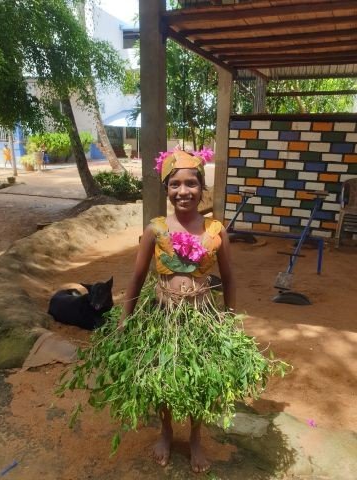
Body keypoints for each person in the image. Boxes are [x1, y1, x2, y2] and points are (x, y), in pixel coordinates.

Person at [119, 148, 236, 473]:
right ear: (167, 189)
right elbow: (137, 277)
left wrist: (229, 317)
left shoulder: (216, 231)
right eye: (175, 184)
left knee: (201, 379)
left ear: (202, 188)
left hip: (202, 317)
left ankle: (196, 437)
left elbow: (228, 279)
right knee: (165, 376)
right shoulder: (155, 230)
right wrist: (126, 319)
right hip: (163, 316)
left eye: (191, 184)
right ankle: (167, 431)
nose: (183, 191)